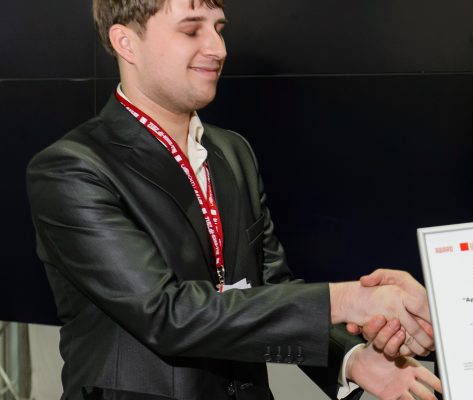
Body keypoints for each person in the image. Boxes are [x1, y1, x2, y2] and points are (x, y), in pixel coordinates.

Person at [25, 0, 440, 399]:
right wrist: (349, 300)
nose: (218, 48)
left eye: (219, 28)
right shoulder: (71, 169)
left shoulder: (233, 151)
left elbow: (270, 286)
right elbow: (166, 314)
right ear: (126, 42)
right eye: (192, 30)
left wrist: (351, 359)